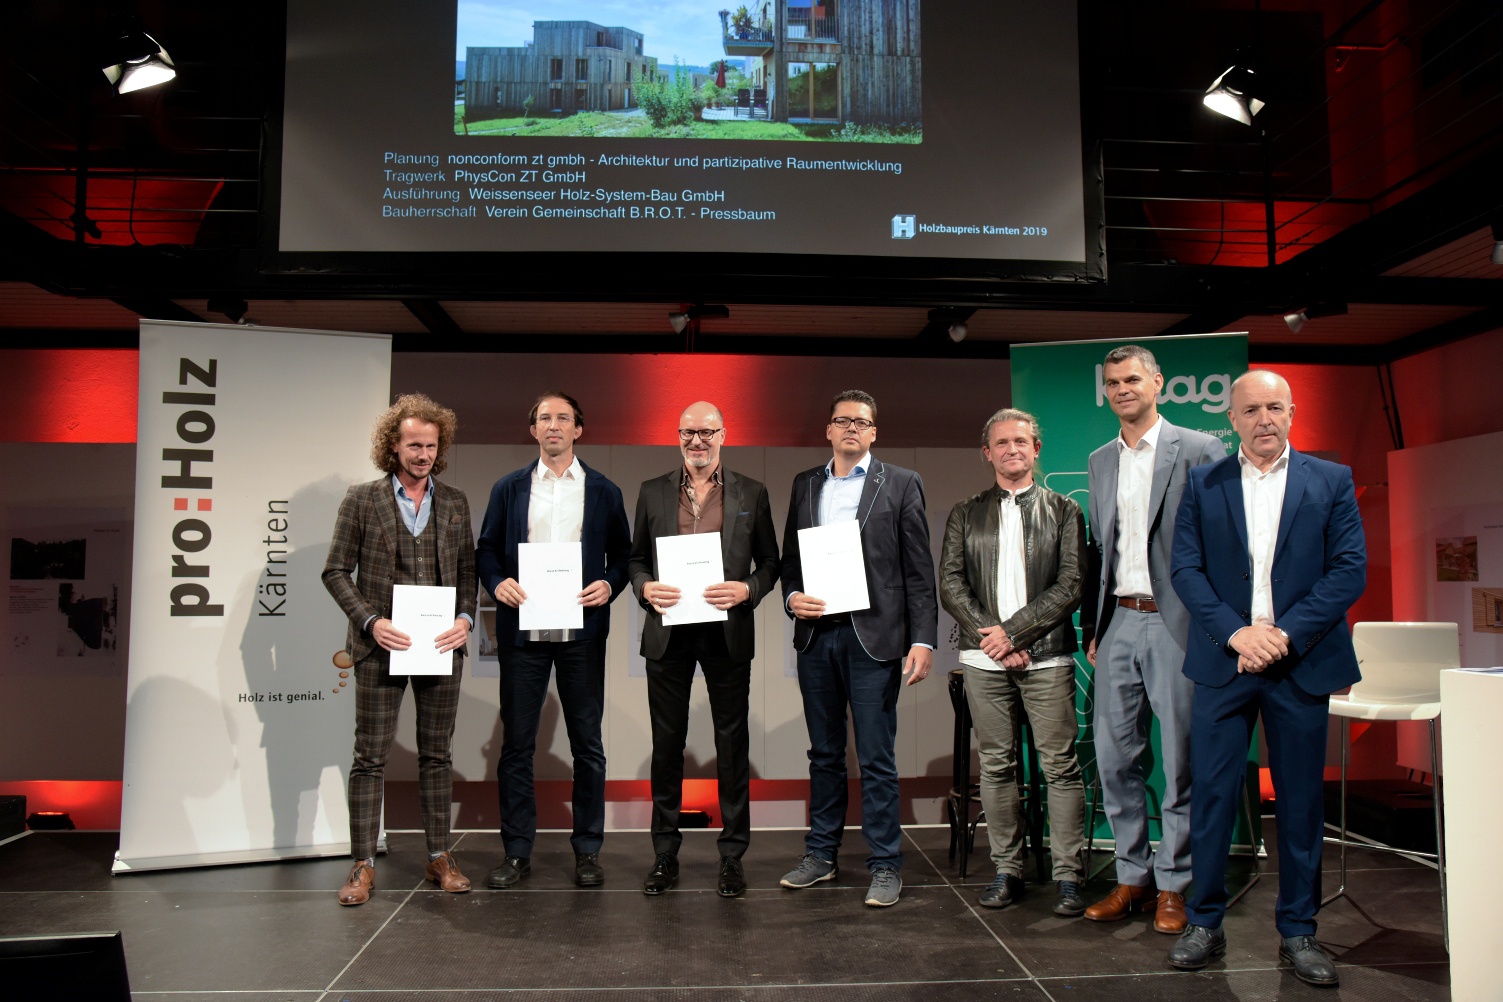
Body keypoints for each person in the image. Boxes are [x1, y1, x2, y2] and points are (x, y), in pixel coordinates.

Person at [1168, 370, 1366, 986]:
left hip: (1300, 661)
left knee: (1301, 801)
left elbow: (1348, 570)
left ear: (1292, 412)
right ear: (1232, 419)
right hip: (1224, 661)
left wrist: (1282, 635)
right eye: (1251, 410)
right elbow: (1186, 570)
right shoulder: (1204, 482)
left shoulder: (1331, 480)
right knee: (1212, 797)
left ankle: (1300, 931)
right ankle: (1204, 922)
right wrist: (1237, 634)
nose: (1264, 420)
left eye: (1275, 408)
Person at [1080, 345, 1225, 934]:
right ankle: (1133, 877)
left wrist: (1216, 626)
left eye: (1133, 379)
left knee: (1181, 759)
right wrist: (1094, 628)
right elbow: (1101, 550)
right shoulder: (1100, 459)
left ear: (1158, 382)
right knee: (1114, 759)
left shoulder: (1199, 448)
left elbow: (1223, 543)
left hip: (1178, 623)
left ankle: (1175, 884)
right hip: (1118, 619)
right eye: (1113, 382)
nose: (1122, 389)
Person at [779, 390, 938, 908]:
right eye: (842, 420)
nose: (851, 428)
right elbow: (790, 562)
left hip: (875, 636)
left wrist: (922, 638)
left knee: (875, 756)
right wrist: (792, 598)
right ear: (828, 429)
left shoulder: (902, 482)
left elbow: (918, 569)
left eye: (861, 422)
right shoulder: (806, 483)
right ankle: (821, 854)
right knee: (824, 754)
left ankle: (886, 863)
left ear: (873, 433)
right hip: (817, 635)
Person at [322, 393, 478, 905]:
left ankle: (439, 856)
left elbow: (468, 572)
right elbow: (335, 571)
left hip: (438, 645)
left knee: (437, 755)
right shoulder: (361, 499)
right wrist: (371, 622)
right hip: (380, 646)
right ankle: (362, 864)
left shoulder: (453, 502)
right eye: (414, 445)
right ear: (393, 445)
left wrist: (465, 619)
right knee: (370, 757)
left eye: (431, 446)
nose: (423, 455)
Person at [474, 392, 631, 889]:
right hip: (523, 630)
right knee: (517, 745)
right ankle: (517, 852)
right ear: (534, 429)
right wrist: (496, 581)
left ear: (578, 429)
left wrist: (610, 584)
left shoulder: (603, 490)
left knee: (588, 744)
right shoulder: (509, 488)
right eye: (545, 418)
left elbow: (624, 556)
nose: (554, 425)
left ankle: (588, 851)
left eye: (563, 418)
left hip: (582, 631)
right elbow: (485, 550)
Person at [939, 408, 1089, 914]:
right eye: (1002, 443)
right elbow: (951, 584)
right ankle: (1007, 870)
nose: (1012, 449)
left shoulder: (1065, 510)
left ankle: (1068, 876)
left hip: (1047, 659)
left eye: (1021, 441)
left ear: (1036, 449)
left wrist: (1015, 633)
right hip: (984, 660)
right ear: (988, 453)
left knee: (1060, 766)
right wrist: (996, 639)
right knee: (997, 765)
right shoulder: (965, 512)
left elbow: (1072, 584)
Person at [628, 400, 780, 897]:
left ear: (723, 435)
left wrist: (747, 590)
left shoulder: (751, 492)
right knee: (667, 744)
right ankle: (664, 854)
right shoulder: (652, 491)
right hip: (668, 631)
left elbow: (771, 563)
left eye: (706, 432)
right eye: (688, 432)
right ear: (677, 436)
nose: (697, 441)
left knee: (732, 746)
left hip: (726, 631)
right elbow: (634, 560)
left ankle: (732, 855)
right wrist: (645, 587)